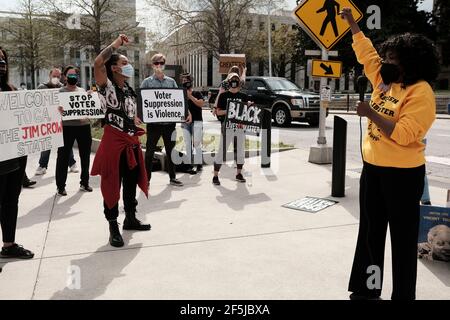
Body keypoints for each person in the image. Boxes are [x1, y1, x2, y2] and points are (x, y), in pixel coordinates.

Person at [341, 8, 440, 300]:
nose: (385, 62)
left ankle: (403, 295)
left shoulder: (421, 93)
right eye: (387, 57)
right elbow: (367, 55)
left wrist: (370, 112)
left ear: (409, 64)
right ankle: (367, 289)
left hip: (403, 177)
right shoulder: (384, 81)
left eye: (393, 59)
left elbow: (404, 133)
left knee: (402, 239)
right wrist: (352, 25)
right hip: (373, 171)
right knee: (371, 234)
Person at [92, 34, 150, 248]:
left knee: (131, 181)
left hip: (131, 142)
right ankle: (113, 226)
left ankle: (131, 218)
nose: (129, 66)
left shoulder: (128, 89)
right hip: (113, 143)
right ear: (114, 68)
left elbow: (129, 114)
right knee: (111, 183)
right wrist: (116, 44)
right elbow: (98, 62)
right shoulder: (106, 86)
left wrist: (135, 121)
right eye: (124, 63)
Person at [0, 47, 34, 259]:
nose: (1, 64)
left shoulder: (12, 91)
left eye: (3, 60)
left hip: (13, 159)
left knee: (11, 201)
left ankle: (9, 245)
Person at [140, 53, 191, 187]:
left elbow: (178, 100)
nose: (159, 65)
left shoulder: (171, 81)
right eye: (156, 63)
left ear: (164, 64)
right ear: (152, 65)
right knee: (150, 153)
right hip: (153, 125)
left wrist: (187, 112)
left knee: (171, 151)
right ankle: (147, 180)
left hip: (169, 124)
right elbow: (141, 102)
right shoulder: (147, 82)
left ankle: (173, 177)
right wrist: (138, 115)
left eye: (161, 63)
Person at [55, 66, 93, 196]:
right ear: (65, 77)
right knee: (63, 157)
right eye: (70, 75)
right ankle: (60, 186)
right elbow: (54, 111)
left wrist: (90, 99)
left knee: (85, 156)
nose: (73, 77)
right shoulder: (60, 92)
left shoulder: (82, 91)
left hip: (84, 126)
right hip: (67, 128)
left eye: (75, 74)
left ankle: (85, 182)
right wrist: (58, 109)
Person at [36, 68, 78, 176]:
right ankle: (42, 165)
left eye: (58, 76)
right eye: (54, 76)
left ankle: (72, 163)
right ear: (49, 75)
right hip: (47, 121)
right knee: (46, 144)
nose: (56, 78)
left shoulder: (63, 88)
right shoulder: (42, 87)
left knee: (65, 143)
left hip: (61, 121)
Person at [213, 72, 252, 186]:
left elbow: (247, 113)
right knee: (222, 151)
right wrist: (230, 110)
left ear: (239, 82)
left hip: (240, 127)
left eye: (236, 79)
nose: (234, 81)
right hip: (227, 127)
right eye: (232, 79)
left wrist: (249, 107)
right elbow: (218, 112)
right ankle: (215, 175)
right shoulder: (223, 96)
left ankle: (239, 173)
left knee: (240, 151)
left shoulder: (243, 96)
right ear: (228, 82)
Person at [180, 73, 205, 173]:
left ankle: (199, 163)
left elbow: (201, 103)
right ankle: (189, 164)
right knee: (187, 144)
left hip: (197, 121)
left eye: (186, 80)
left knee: (197, 143)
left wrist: (190, 96)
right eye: (183, 81)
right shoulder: (180, 94)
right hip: (185, 122)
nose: (185, 82)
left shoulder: (197, 93)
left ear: (190, 81)